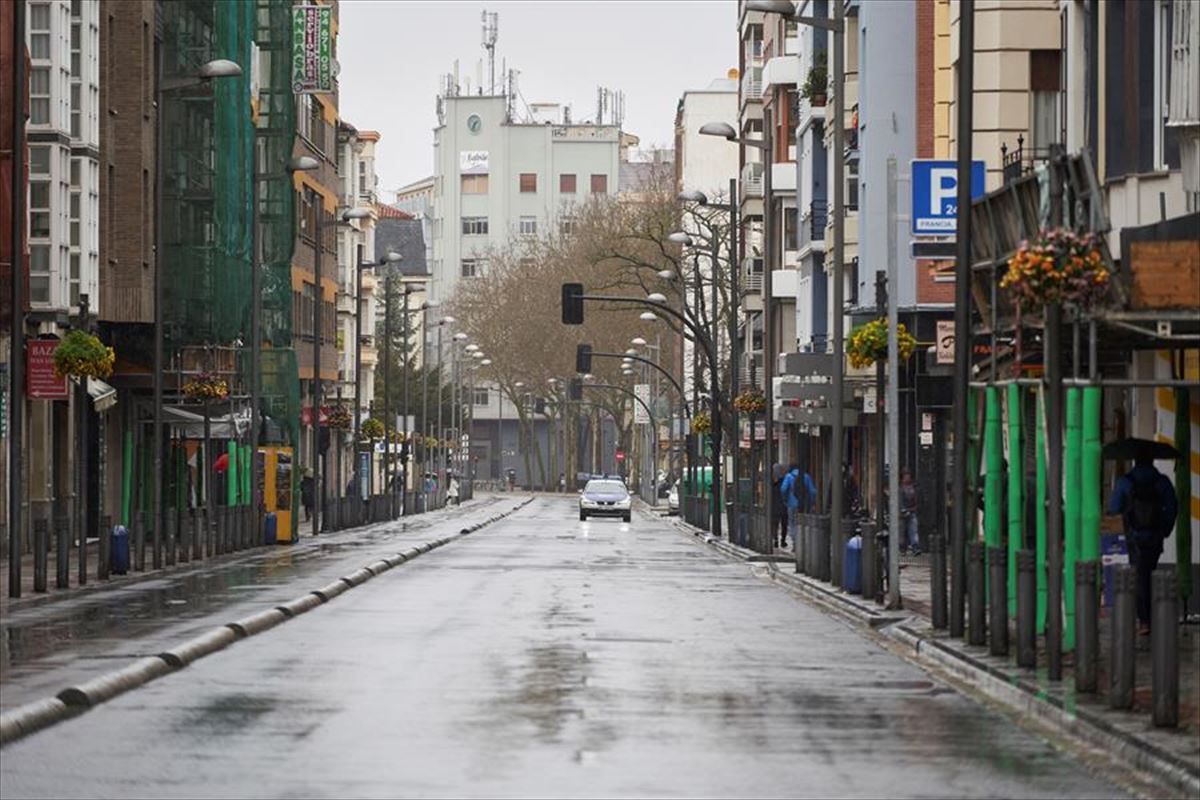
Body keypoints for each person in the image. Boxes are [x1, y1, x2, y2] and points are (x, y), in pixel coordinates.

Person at [1107, 454, 1178, 635]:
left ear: (1135, 461)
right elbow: (1172, 508)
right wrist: (1164, 530)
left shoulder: (1125, 481)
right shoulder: (1162, 481)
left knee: (1139, 575)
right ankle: (1154, 616)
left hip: (1134, 537)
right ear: (1152, 461)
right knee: (1151, 572)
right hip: (1155, 537)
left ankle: (1145, 621)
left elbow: (1114, 507)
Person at [780, 464, 802, 550]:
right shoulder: (805, 476)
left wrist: (785, 499)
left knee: (792, 523)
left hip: (791, 503)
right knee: (801, 523)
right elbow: (812, 491)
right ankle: (801, 542)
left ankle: (795, 542)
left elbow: (783, 489)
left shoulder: (789, 476)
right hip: (802, 505)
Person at [899, 468, 919, 555]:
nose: (907, 478)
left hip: (911, 511)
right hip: (902, 513)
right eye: (906, 476)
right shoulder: (900, 488)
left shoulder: (913, 487)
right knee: (902, 531)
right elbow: (899, 500)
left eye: (908, 476)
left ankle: (915, 547)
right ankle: (903, 548)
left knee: (913, 530)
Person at [770, 463, 788, 548]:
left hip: (774, 506)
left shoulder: (771, 482)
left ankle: (776, 539)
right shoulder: (784, 480)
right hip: (784, 505)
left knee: (775, 524)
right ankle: (783, 540)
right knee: (784, 524)